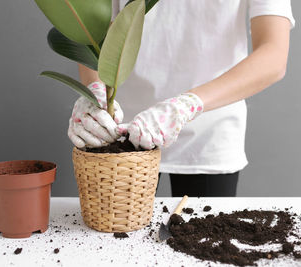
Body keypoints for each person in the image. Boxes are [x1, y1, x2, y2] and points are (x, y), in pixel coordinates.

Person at [67, 0, 295, 197]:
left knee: (203, 244)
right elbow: (87, 26)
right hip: (119, 128)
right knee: (111, 239)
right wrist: (95, 92)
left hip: (209, 128)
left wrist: (186, 106)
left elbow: (273, 53)